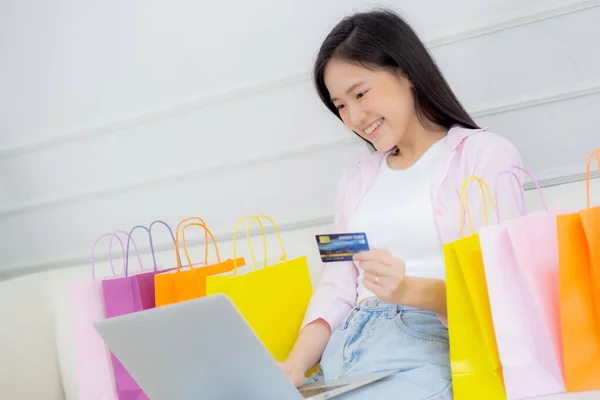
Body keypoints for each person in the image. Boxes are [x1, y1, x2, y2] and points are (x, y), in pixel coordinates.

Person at [278, 7, 524, 400]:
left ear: (406, 71)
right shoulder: (355, 180)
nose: (354, 117)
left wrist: (408, 289)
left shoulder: (484, 157)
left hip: (426, 345)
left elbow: (498, 289)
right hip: (342, 354)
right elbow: (338, 288)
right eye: (340, 105)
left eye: (360, 94)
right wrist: (292, 366)